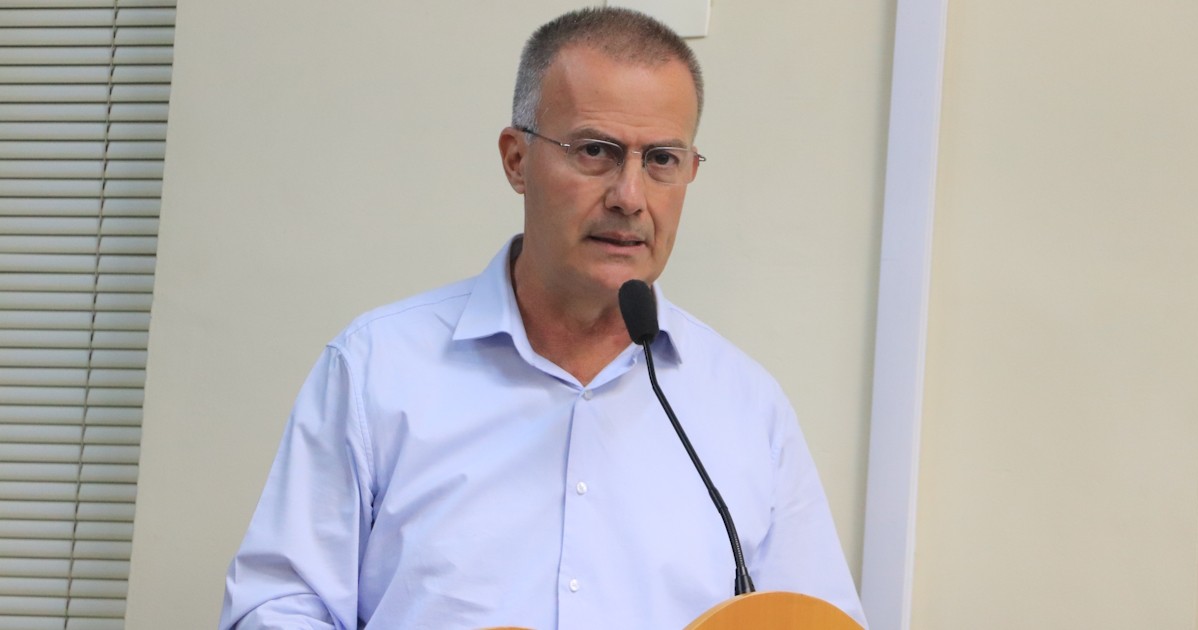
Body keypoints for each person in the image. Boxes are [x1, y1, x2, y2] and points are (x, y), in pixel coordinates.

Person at [219, 8, 867, 629]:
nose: (630, 197)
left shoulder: (747, 408)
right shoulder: (376, 369)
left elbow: (813, 620)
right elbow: (276, 608)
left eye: (662, 160)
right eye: (596, 151)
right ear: (517, 160)